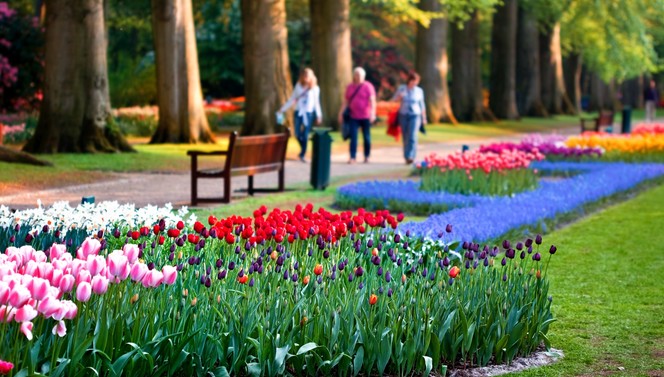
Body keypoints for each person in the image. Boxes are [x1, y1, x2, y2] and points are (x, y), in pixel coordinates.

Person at [278, 68, 322, 162]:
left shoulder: (315, 88)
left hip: (308, 113)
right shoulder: (298, 86)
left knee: (305, 134)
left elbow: (316, 103)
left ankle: (302, 154)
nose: (306, 77)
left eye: (307, 76)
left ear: (311, 77)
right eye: (304, 75)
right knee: (297, 134)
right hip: (298, 112)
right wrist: (282, 109)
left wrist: (319, 115)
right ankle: (303, 147)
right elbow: (292, 99)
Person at [339, 67, 376, 164]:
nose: (358, 77)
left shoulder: (368, 86)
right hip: (353, 116)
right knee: (353, 138)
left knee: (366, 137)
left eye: (360, 75)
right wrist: (341, 113)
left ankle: (367, 156)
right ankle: (352, 157)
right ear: (354, 76)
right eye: (356, 75)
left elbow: (372, 101)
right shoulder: (350, 87)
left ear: (364, 76)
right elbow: (346, 101)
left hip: (365, 116)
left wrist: (373, 113)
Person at [392, 71, 427, 164]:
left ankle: (411, 155)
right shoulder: (402, 89)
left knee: (412, 135)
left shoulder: (419, 91)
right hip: (403, 114)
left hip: (415, 115)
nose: (414, 83)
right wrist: (400, 97)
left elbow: (422, 105)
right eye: (412, 81)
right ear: (409, 80)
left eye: (416, 81)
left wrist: (424, 118)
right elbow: (394, 100)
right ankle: (406, 155)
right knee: (405, 135)